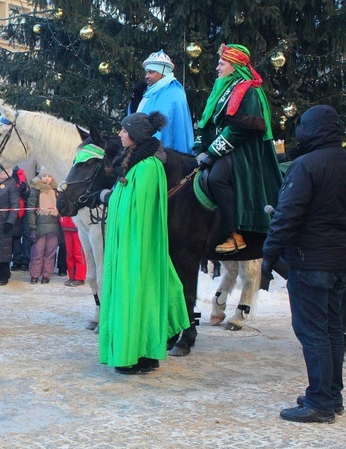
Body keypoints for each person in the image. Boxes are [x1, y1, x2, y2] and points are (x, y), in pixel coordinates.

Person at [261, 105, 346, 423]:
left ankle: (320, 403)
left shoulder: (305, 165)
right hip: (339, 261)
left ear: (313, 129)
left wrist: (269, 254)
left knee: (313, 331)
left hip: (309, 260)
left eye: (302, 125)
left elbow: (288, 215)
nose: (298, 131)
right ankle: (332, 395)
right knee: (331, 329)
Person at [98, 111, 189, 374]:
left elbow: (136, 211)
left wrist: (108, 198)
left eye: (124, 130)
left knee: (135, 294)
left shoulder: (147, 167)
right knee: (141, 295)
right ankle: (145, 353)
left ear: (136, 136)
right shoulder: (139, 163)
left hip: (137, 247)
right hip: (135, 245)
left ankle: (134, 355)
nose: (120, 134)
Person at [196, 44, 282, 254]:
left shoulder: (247, 90)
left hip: (243, 152)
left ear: (234, 65)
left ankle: (235, 235)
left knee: (217, 178)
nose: (217, 68)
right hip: (224, 149)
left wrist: (212, 153)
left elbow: (240, 130)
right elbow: (208, 122)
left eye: (221, 63)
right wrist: (199, 147)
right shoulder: (222, 88)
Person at [130, 50, 194, 154]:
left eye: (151, 72)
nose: (146, 76)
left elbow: (168, 128)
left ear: (163, 72)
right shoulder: (151, 92)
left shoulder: (173, 92)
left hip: (164, 154)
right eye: (146, 72)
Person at [27, 171, 60, 284]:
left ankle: (46, 275)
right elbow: (30, 210)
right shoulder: (35, 190)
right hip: (39, 226)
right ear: (40, 177)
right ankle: (35, 275)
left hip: (54, 227)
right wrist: (32, 227)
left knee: (50, 252)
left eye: (49, 176)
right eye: (44, 176)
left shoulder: (57, 191)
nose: (46, 178)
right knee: (37, 252)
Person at [0, 167, 19, 286]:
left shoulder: (10, 182)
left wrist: (11, 221)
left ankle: (4, 274)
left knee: (4, 249)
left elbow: (15, 204)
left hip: (4, 221)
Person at [60, 215, 86, 286]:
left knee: (78, 253)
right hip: (66, 227)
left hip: (76, 228)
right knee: (69, 254)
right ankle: (72, 276)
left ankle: (80, 278)